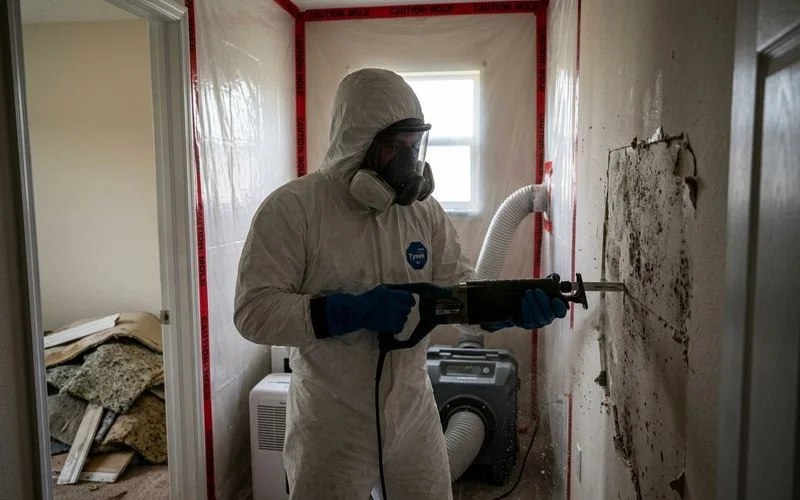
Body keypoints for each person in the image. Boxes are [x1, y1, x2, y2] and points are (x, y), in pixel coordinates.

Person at [234, 68, 568, 500]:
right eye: (394, 147)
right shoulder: (295, 210)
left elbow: (458, 291)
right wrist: (347, 311)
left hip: (413, 409)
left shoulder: (422, 213)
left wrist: (507, 310)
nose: (408, 163)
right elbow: (253, 312)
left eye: (414, 146)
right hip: (331, 421)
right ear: (357, 145)